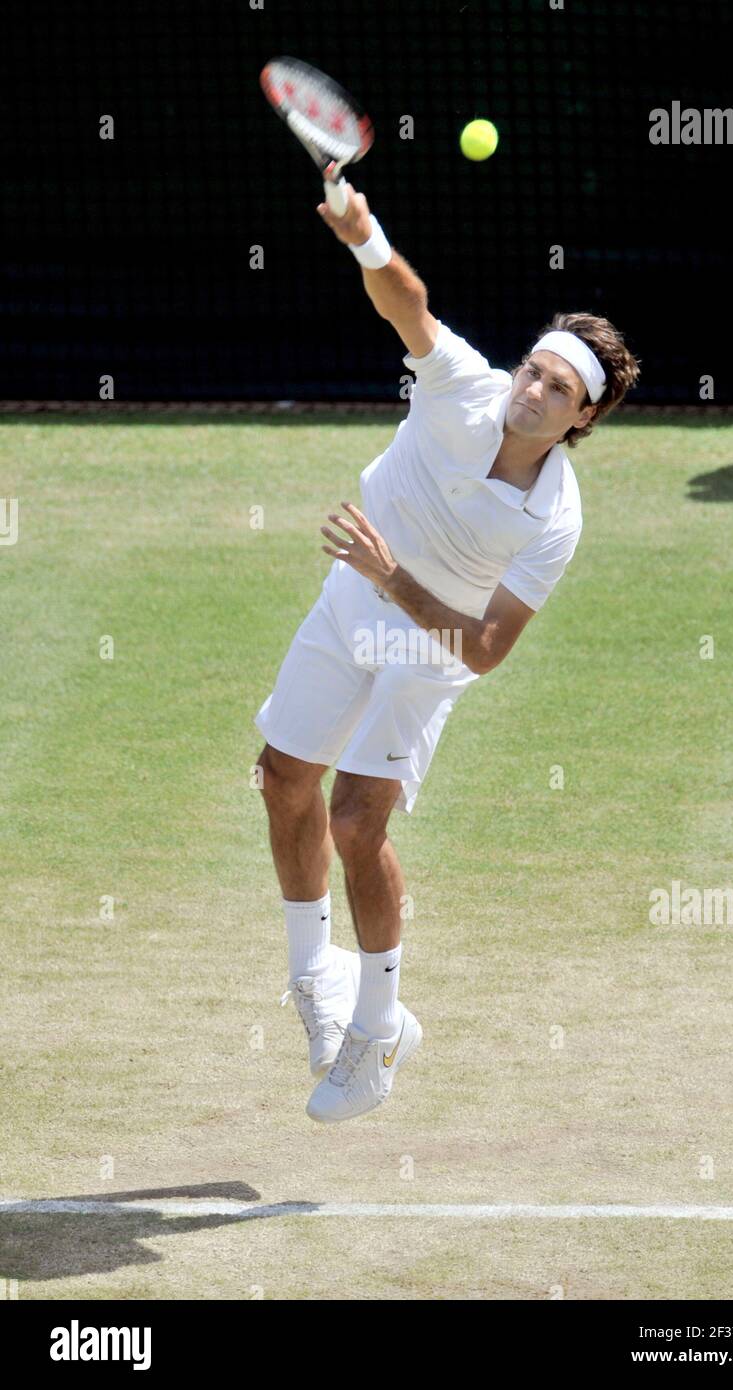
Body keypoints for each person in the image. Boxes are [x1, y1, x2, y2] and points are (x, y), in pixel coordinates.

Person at [255, 183, 641, 1124]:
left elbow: (486, 649)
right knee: (280, 779)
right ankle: (317, 985)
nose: (534, 391)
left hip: (430, 647)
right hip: (357, 592)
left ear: (582, 420)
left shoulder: (555, 519)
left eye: (559, 391)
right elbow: (408, 305)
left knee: (357, 822)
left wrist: (395, 580)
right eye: (534, 372)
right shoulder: (465, 385)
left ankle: (376, 1030)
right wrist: (365, 236)